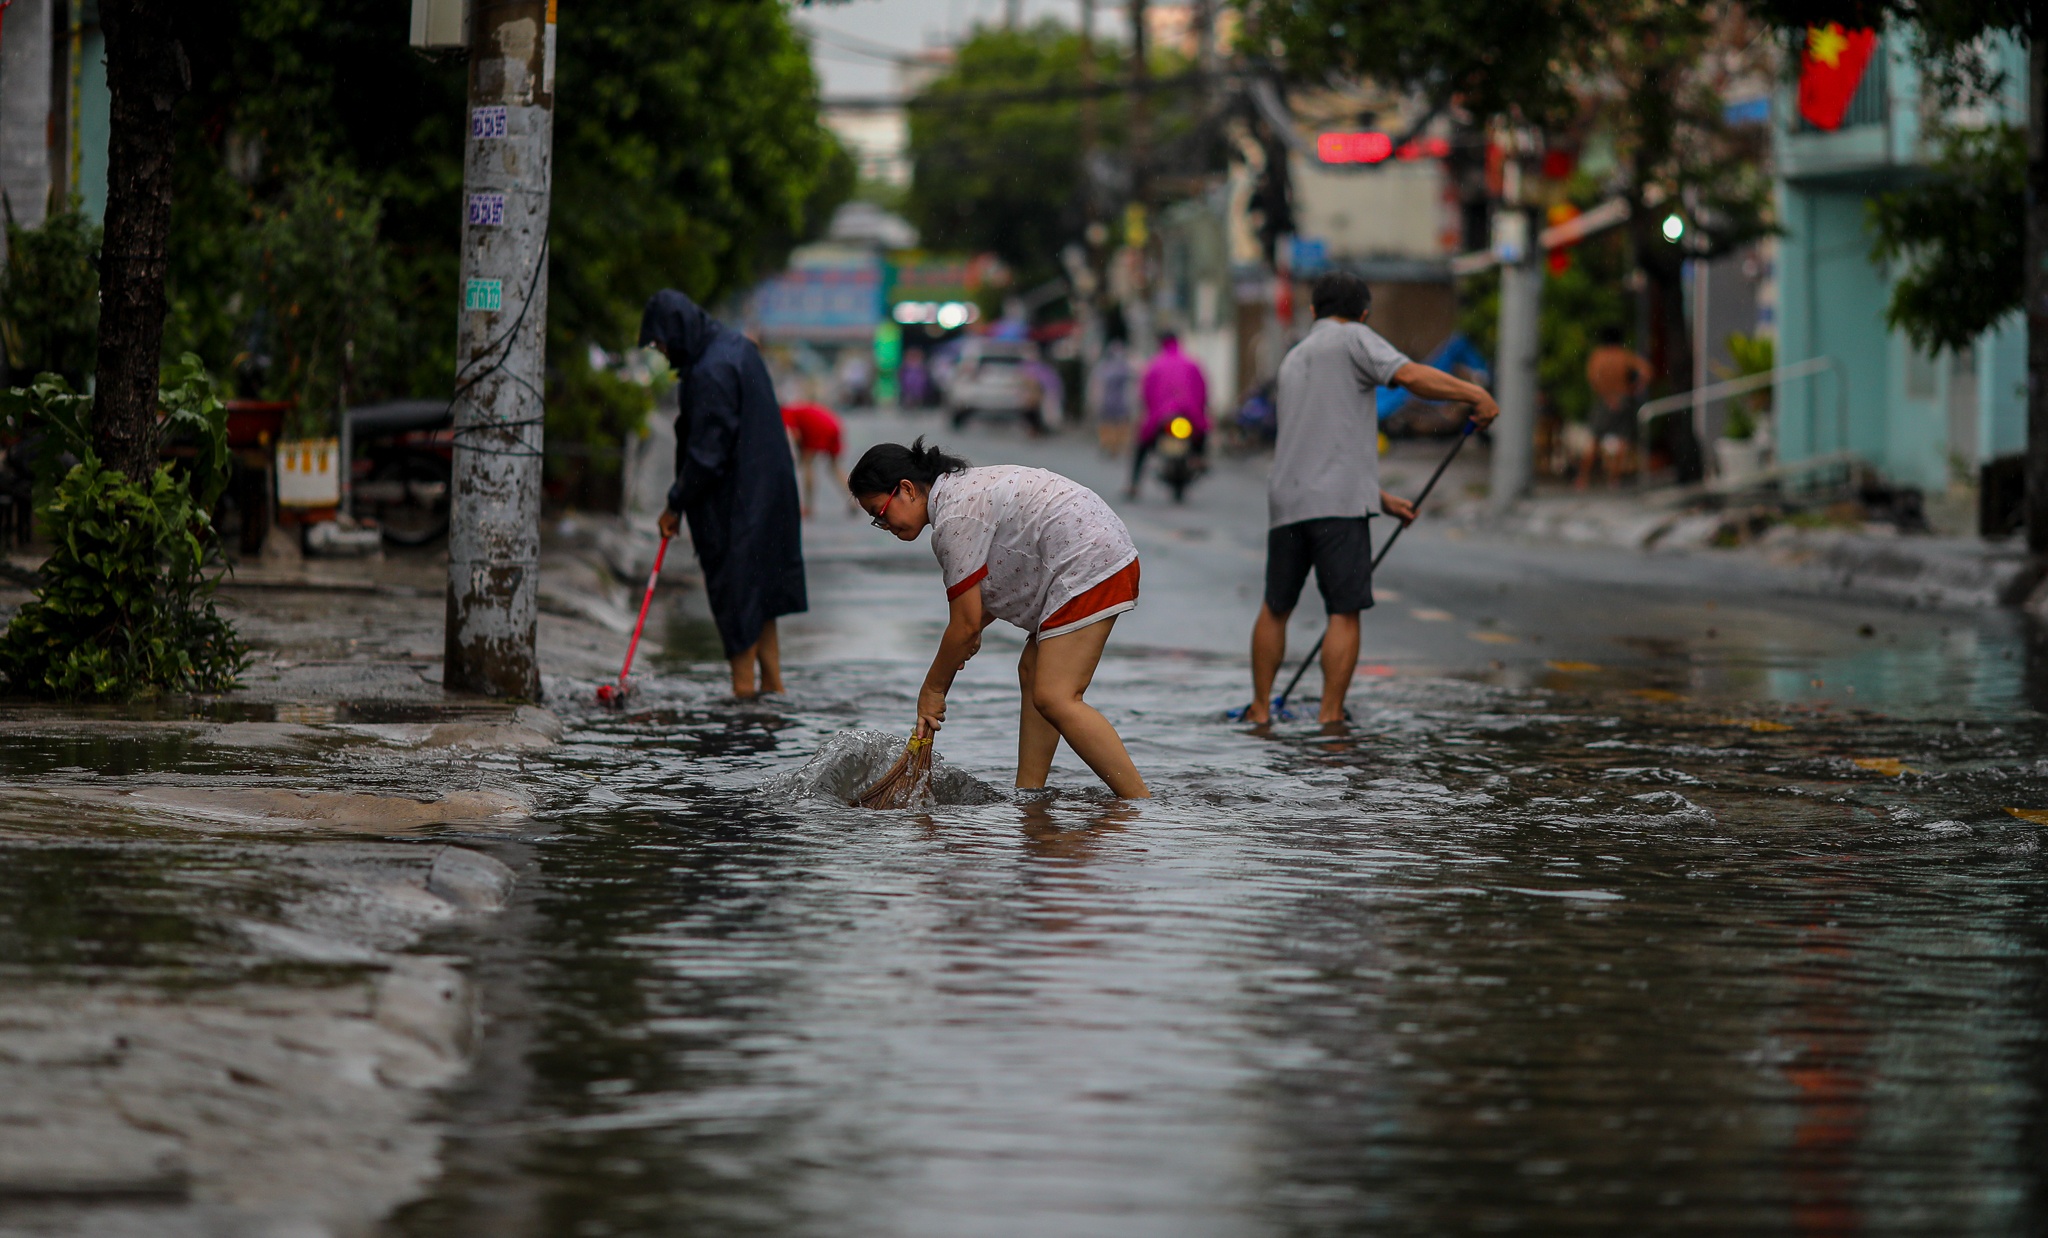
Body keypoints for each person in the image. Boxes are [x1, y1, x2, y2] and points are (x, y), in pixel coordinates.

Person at [1246, 271, 1498, 727]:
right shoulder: (1354, 339)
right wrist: (1473, 392)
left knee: (1276, 607)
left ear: (1312, 311)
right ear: (1363, 313)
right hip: (1338, 507)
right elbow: (1410, 375)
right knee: (1343, 611)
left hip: (1287, 503)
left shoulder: (1293, 358)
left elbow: (1315, 442)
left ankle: (1260, 709)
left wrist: (1380, 498)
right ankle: (1329, 716)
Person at [850, 438, 1150, 798]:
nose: (884, 526)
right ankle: (1028, 796)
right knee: (1034, 672)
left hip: (1089, 562)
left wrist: (931, 691)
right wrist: (969, 632)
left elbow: (964, 625)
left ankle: (1139, 806)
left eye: (879, 514)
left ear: (907, 489)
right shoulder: (958, 495)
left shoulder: (954, 518)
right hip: (1092, 553)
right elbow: (974, 614)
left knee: (1057, 696)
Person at [640, 289, 807, 699]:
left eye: (661, 343)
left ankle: (743, 696)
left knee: (737, 600)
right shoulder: (735, 348)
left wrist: (675, 502)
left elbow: (707, 456)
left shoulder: (711, 370)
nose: (662, 352)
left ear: (676, 332)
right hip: (770, 494)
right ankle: (773, 689)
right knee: (759, 596)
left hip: (738, 504)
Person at [1127, 332, 1209, 498]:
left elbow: (1146, 394)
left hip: (1161, 415)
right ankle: (1200, 458)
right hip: (1189, 414)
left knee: (1142, 445)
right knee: (1202, 433)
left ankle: (1134, 484)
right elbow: (1203, 391)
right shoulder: (1192, 363)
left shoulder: (1154, 365)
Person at [1581, 325, 1654, 489]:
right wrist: (1634, 388)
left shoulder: (1597, 356)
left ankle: (1583, 478)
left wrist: (1606, 395)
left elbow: (1592, 378)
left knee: (1594, 440)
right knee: (1622, 440)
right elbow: (1647, 372)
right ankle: (1614, 479)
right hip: (1623, 399)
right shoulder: (1624, 356)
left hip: (1603, 399)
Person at [781, 401, 855, 519]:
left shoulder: (784, 413)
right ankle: (854, 499)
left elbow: (795, 435)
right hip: (833, 425)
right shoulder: (797, 409)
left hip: (818, 429)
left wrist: (800, 453)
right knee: (835, 468)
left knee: (808, 466)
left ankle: (808, 507)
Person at [1093, 341, 1134, 458]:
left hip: (1109, 401)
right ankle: (1114, 447)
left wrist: (1097, 400)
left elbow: (1097, 385)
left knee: (1109, 424)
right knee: (1117, 424)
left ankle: (1109, 445)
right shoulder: (1124, 368)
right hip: (1118, 401)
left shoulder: (1104, 367)